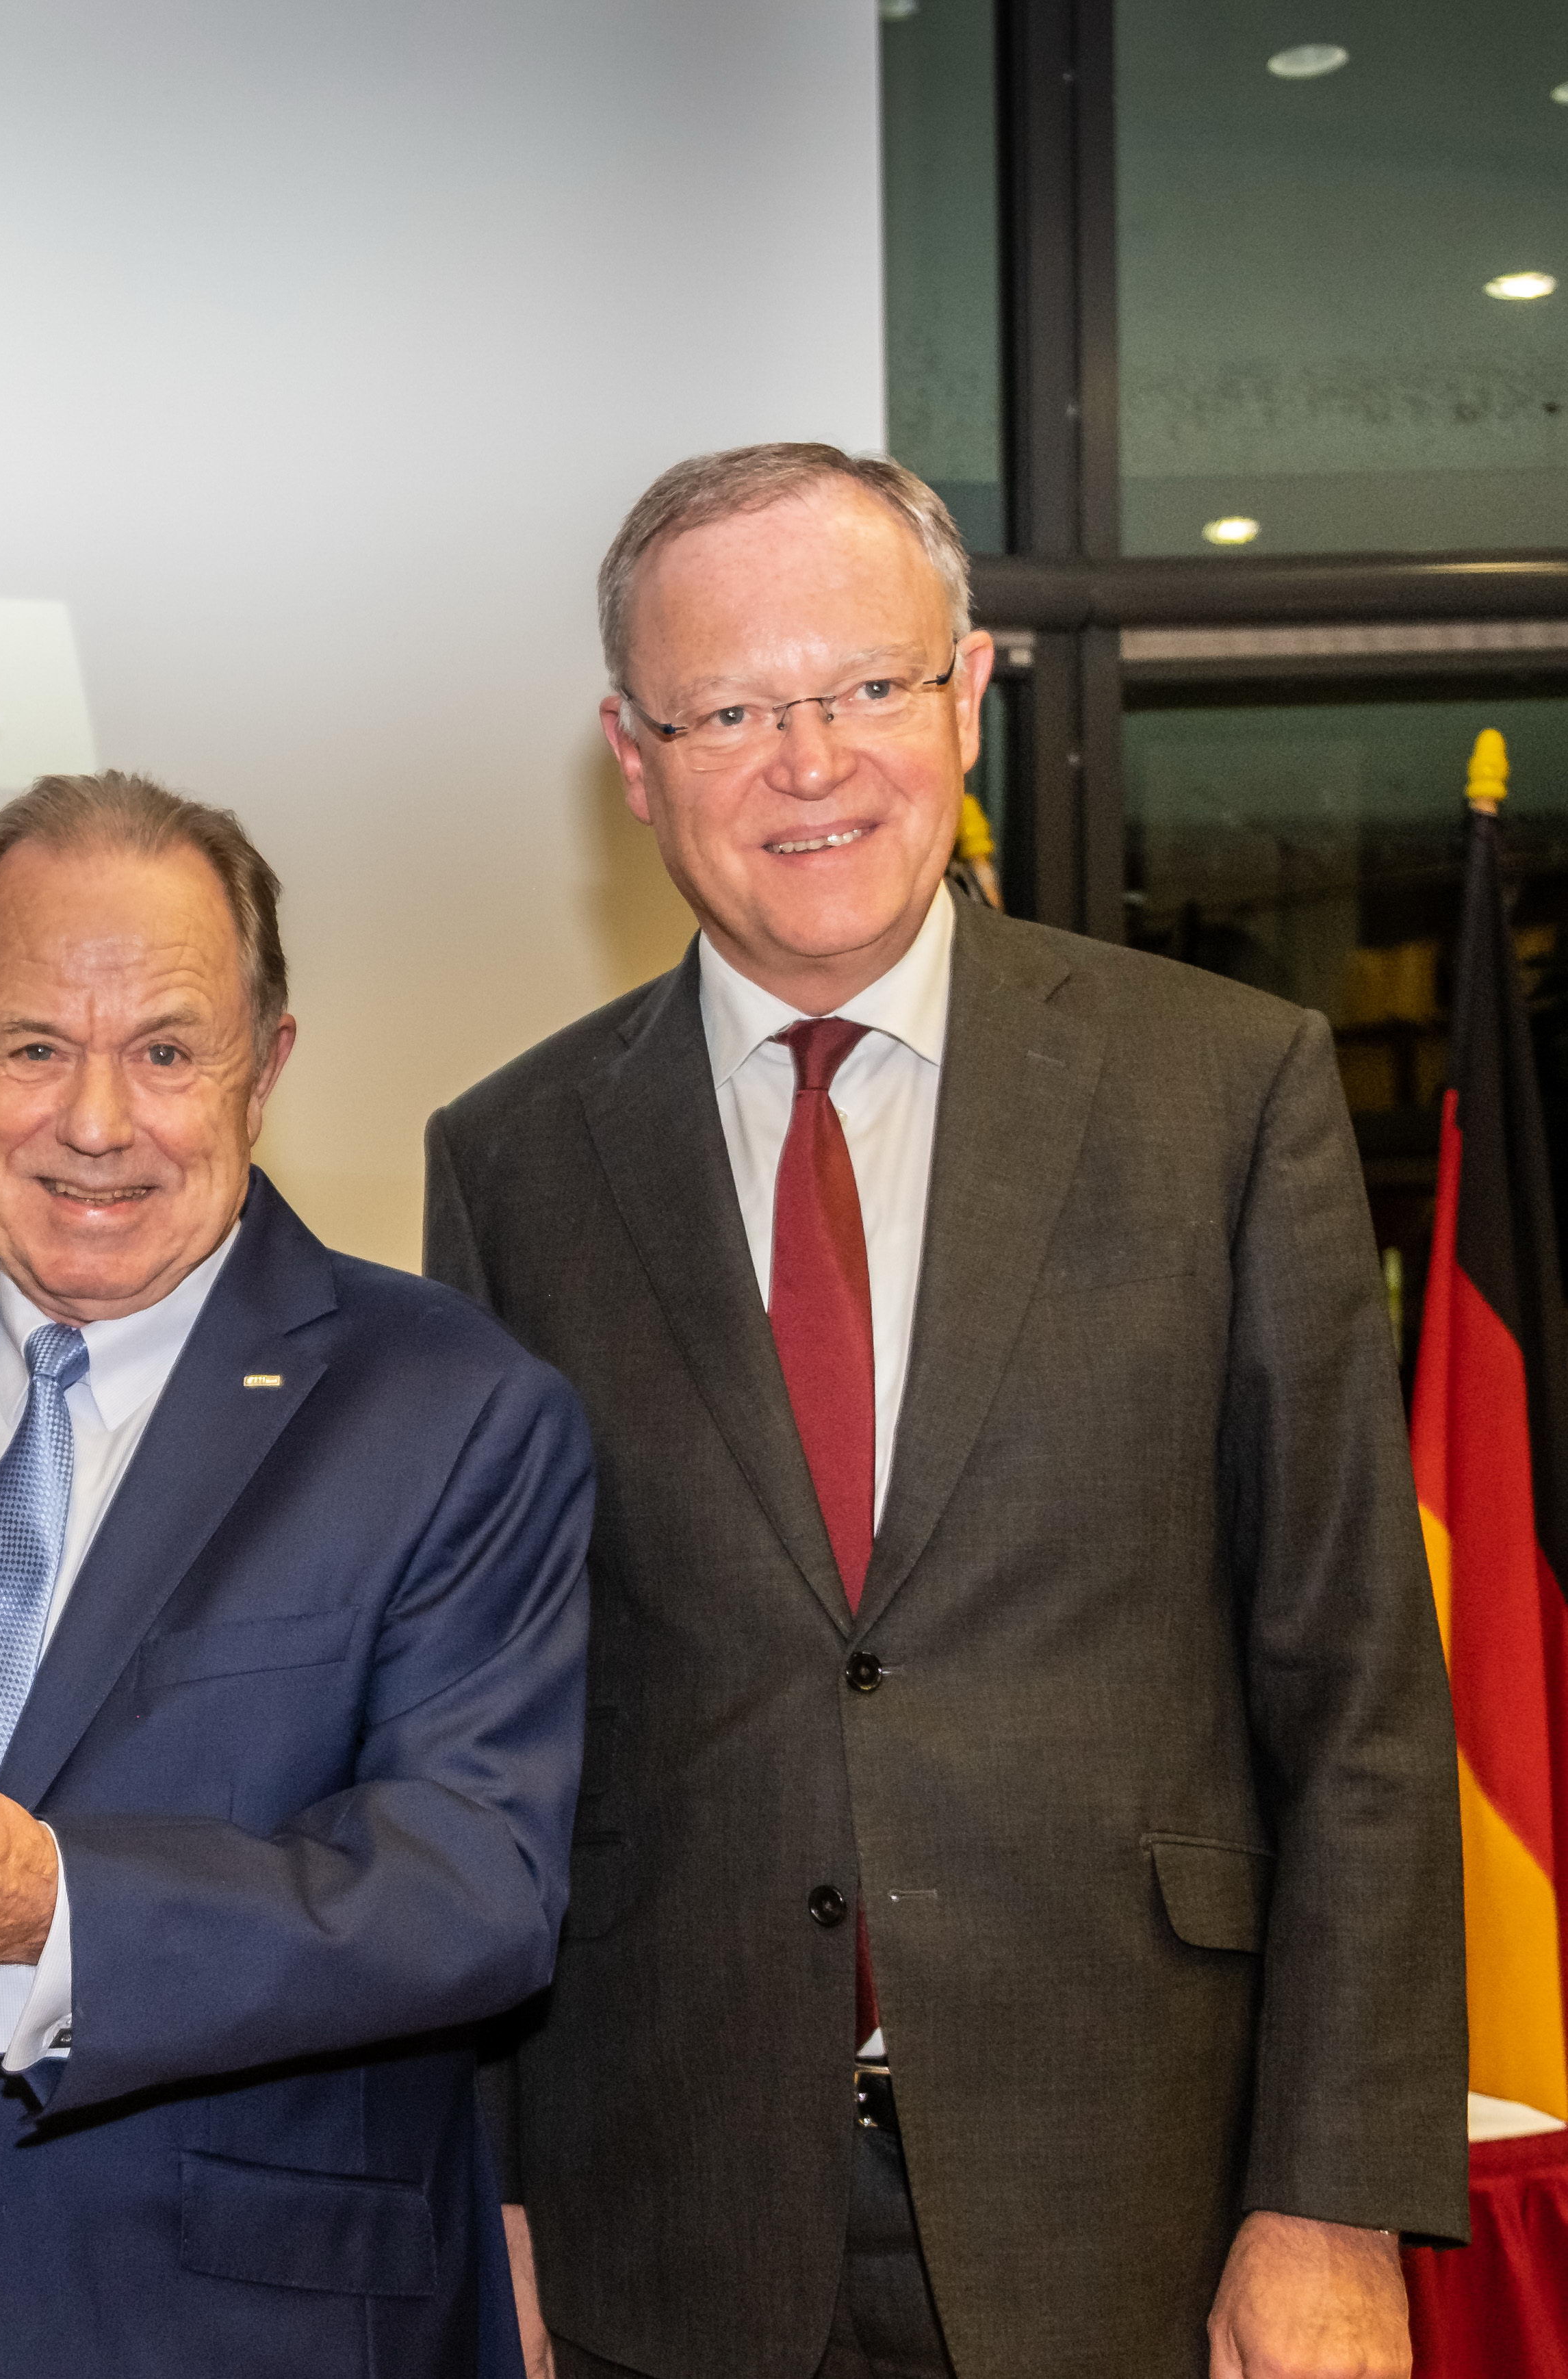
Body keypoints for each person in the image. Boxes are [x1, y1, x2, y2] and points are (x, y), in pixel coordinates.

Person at [425, 444, 1467, 2379]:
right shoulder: (509, 1163)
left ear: (966, 689)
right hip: (662, 2231)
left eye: (860, 687)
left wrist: (1328, 2199)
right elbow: (484, 1733)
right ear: (629, 753)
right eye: (727, 707)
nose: (804, 759)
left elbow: (1352, 1691)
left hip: (1139, 2209)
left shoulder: (1220, 1093)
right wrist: (486, 2197)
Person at [0, 771, 595, 2379]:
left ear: (267, 1065)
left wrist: (58, 1910)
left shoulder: (456, 1408)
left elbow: (474, 1889)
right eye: (32, 1047)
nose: (96, 1122)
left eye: (166, 1050)